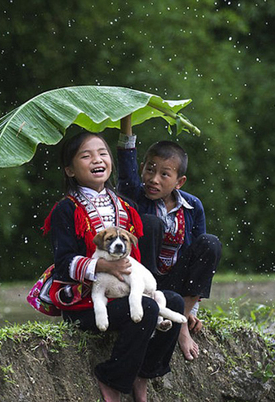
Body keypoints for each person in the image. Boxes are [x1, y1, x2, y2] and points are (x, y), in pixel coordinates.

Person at [42, 131, 184, 402]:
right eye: (86, 155)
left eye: (103, 153)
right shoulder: (66, 209)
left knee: (173, 302)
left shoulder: (125, 206)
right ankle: (111, 376)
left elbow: (136, 261)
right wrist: (103, 267)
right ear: (70, 170)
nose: (97, 159)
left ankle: (142, 374)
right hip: (86, 302)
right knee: (150, 308)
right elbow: (62, 264)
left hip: (122, 291)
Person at [116, 115, 222, 362]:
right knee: (149, 223)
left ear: (179, 181)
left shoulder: (193, 206)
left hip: (176, 280)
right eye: (150, 169)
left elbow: (200, 257)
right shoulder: (134, 194)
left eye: (165, 174)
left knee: (210, 243)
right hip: (146, 281)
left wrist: (192, 309)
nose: (154, 179)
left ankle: (182, 323)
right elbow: (126, 158)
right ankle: (154, 308)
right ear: (142, 168)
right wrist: (126, 119)